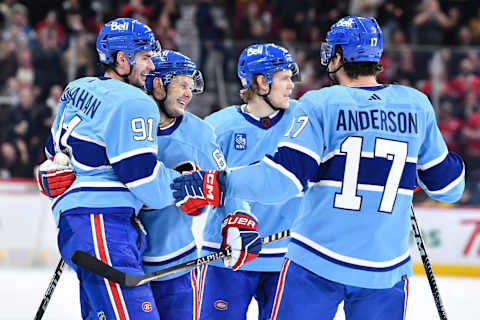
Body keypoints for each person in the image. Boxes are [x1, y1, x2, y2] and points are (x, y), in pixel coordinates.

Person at [171, 16, 465, 319]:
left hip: (316, 264)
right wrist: (416, 168)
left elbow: (281, 180)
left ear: (337, 56)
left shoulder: (320, 103)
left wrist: (218, 183)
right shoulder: (415, 104)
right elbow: (449, 188)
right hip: (385, 270)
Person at [37, 18, 180, 319]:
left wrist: (53, 174)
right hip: (103, 226)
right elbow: (144, 179)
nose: (152, 66)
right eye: (145, 57)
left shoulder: (76, 89)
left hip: (77, 225)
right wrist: (186, 185)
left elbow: (52, 154)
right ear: (122, 59)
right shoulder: (135, 102)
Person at [182, 43, 300, 320]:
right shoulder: (216, 127)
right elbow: (191, 184)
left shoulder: (304, 120)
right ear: (261, 82)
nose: (292, 85)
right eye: (285, 78)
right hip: (227, 257)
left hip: (288, 257)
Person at [139, 49, 255, 320]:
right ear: (158, 83)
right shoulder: (126, 124)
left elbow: (225, 182)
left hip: (177, 266)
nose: (189, 94)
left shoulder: (198, 133)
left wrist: (240, 219)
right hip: (126, 264)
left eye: (191, 87)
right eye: (182, 85)